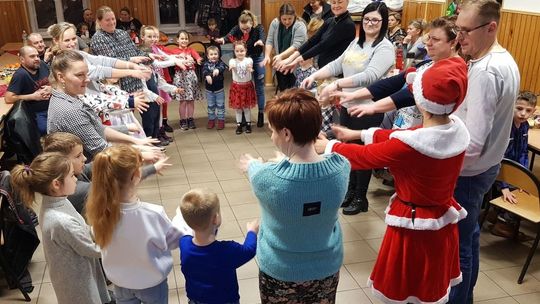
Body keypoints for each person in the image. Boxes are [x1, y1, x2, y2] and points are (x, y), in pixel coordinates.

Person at [316, 56, 470, 303]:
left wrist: (330, 146)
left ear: (420, 100)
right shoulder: (454, 129)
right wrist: (359, 133)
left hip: (413, 227)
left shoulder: (412, 145)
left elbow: (366, 157)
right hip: (441, 224)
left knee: (406, 285)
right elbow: (404, 136)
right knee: (429, 281)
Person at [239, 88, 350, 303]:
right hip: (326, 268)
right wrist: (285, 158)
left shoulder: (266, 178)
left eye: (273, 131)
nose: (272, 137)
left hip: (280, 272)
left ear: (287, 134)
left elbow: (256, 169)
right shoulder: (342, 168)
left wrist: (252, 163)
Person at [449, 1, 520, 303]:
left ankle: (460, 299)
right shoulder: (502, 59)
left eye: (466, 31)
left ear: (491, 27)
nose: (460, 38)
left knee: (459, 246)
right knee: (471, 235)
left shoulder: (485, 72)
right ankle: (469, 296)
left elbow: (474, 141)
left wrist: (442, 164)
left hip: (470, 169)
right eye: (457, 29)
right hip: (487, 166)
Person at [302, 1, 394, 215]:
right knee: (347, 149)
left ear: (384, 22)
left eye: (376, 20)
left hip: (368, 108)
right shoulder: (356, 42)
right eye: (367, 19)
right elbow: (337, 64)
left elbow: (370, 75)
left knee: (362, 152)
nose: (370, 23)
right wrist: (315, 75)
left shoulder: (385, 47)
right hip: (347, 105)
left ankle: (361, 197)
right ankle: (350, 191)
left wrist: (337, 84)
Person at [85, 144, 185, 304]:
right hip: (151, 283)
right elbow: (172, 242)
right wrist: (181, 219)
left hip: (120, 283)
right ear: (137, 174)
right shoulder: (152, 213)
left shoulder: (98, 213)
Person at [11, 152, 110, 304]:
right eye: (72, 176)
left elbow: (83, 227)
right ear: (56, 184)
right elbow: (94, 250)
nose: (76, 178)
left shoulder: (59, 201)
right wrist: (119, 244)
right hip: (77, 282)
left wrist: (101, 230)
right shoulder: (61, 221)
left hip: (73, 273)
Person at [47, 50, 158, 159]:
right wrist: (140, 153)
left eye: (87, 74)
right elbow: (101, 149)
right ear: (61, 77)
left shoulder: (70, 97)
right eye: (80, 75)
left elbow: (98, 128)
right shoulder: (70, 110)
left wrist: (136, 140)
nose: (87, 79)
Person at [41, 132, 169, 214]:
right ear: (62, 161)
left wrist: (138, 156)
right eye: (78, 156)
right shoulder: (75, 189)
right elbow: (118, 184)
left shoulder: (76, 173)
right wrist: (152, 168)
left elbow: (101, 164)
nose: (84, 159)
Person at [179, 188, 258, 304]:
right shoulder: (228, 250)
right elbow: (249, 250)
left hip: (197, 300)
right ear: (215, 219)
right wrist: (252, 232)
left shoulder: (184, 244)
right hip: (225, 300)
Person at [488, 91, 537, 239]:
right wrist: (504, 186)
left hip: (513, 171)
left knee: (524, 189)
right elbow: (499, 158)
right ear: (512, 107)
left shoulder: (524, 126)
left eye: (528, 110)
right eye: (519, 108)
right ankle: (504, 225)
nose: (523, 114)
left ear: (533, 112)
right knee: (512, 194)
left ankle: (497, 214)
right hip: (498, 171)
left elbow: (523, 152)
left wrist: (523, 179)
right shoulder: (505, 126)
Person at [215, 10, 266, 127]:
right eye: (242, 28)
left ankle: (260, 113)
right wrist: (223, 39)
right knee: (242, 86)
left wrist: (260, 41)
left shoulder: (258, 28)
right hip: (242, 58)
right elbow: (229, 35)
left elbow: (263, 37)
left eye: (247, 28)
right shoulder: (237, 28)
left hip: (257, 58)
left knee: (259, 87)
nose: (244, 31)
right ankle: (243, 115)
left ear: (252, 23)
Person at [278, 0, 355, 72]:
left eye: (340, 2)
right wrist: (291, 58)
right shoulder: (330, 21)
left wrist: (297, 60)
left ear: (347, 2)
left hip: (336, 72)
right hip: (324, 69)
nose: (336, 5)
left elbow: (323, 45)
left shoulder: (347, 24)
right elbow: (313, 40)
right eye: (333, 2)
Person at [91, 6, 149, 93]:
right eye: (107, 20)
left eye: (113, 19)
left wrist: (149, 57)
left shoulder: (122, 33)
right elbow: (111, 61)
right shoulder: (98, 39)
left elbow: (136, 51)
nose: (111, 22)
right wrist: (132, 59)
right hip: (117, 88)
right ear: (99, 21)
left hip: (136, 81)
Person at [5, 46, 51, 136]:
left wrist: (51, 88)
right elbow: (8, 98)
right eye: (32, 56)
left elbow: (54, 80)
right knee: (46, 130)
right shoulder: (20, 75)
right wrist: (33, 96)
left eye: (37, 56)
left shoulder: (42, 64)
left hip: (52, 107)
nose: (37, 59)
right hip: (37, 113)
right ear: (22, 59)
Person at [263, 3, 308, 92]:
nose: (287, 21)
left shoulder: (300, 25)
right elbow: (269, 40)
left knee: (294, 91)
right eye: (284, 19)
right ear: (280, 17)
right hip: (280, 64)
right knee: (283, 90)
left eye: (290, 19)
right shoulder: (275, 23)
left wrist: (281, 56)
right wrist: (267, 55)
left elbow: (296, 45)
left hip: (295, 63)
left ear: (294, 16)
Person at [171, 30, 203, 130]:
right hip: (180, 77)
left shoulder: (191, 49)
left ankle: (190, 118)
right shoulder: (174, 51)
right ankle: (183, 120)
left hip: (190, 76)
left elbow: (197, 56)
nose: (184, 40)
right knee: (183, 100)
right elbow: (171, 60)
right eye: (182, 38)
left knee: (190, 100)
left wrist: (198, 59)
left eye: (186, 39)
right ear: (177, 40)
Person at [229, 41, 256, 135]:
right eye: (237, 51)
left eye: (242, 51)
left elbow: (249, 67)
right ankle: (239, 125)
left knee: (246, 107)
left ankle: (248, 124)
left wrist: (250, 69)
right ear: (234, 51)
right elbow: (232, 66)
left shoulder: (249, 60)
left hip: (247, 86)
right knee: (238, 108)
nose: (240, 53)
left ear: (246, 50)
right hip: (237, 87)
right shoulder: (232, 61)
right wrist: (232, 67)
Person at [203, 45, 228, 130]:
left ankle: (221, 120)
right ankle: (211, 120)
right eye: (211, 54)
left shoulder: (220, 63)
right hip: (209, 91)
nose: (213, 56)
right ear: (208, 56)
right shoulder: (206, 64)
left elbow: (222, 67)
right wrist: (207, 75)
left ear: (218, 55)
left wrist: (217, 70)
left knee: (220, 105)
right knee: (210, 106)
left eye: (215, 54)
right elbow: (204, 70)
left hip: (219, 90)